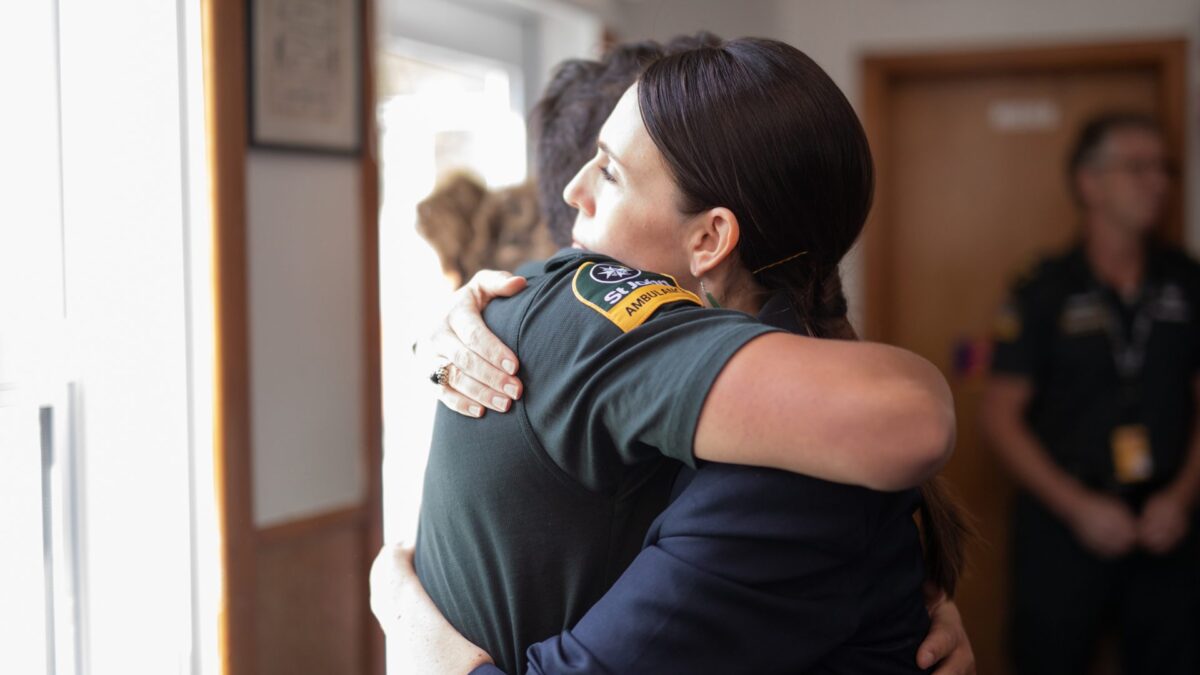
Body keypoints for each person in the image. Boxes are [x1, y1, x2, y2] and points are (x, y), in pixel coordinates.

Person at [377, 37, 974, 674]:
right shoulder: (720, 406)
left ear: (711, 236)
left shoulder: (796, 468)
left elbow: (905, 420)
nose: (574, 191)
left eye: (608, 171)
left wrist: (411, 625)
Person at [981, 112, 1200, 675]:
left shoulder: (1187, 280)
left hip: (1167, 526)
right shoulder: (1044, 287)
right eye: (1137, 167)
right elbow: (1001, 417)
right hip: (1066, 525)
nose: (1158, 181)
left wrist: (1180, 497)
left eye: (1164, 168)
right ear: (1089, 183)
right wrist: (1077, 507)